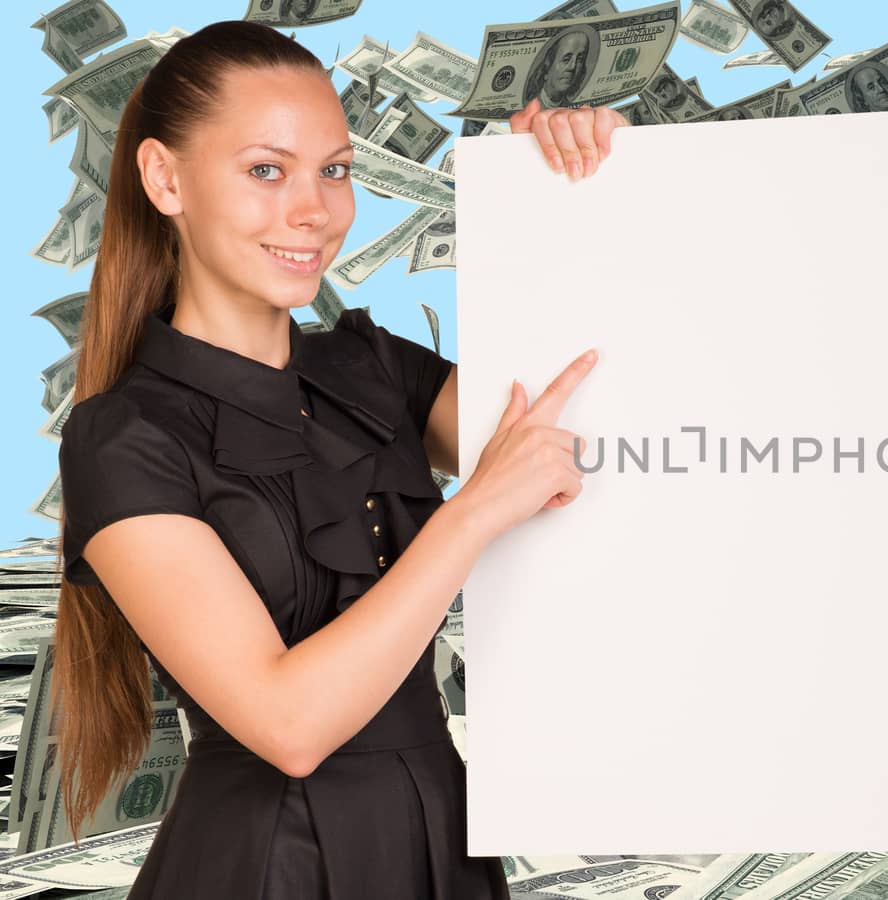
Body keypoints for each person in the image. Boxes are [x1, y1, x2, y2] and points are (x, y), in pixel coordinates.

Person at [53, 20, 626, 899]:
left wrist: (567, 205)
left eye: (336, 169)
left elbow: (588, 433)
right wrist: (470, 512)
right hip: (268, 868)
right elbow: (288, 724)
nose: (316, 211)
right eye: (265, 170)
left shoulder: (375, 369)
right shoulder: (122, 437)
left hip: (446, 844)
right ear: (165, 178)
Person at [524, 27, 593, 110]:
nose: (572, 66)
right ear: (548, 65)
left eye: (579, 60)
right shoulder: (529, 105)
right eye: (566, 59)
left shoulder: (573, 108)